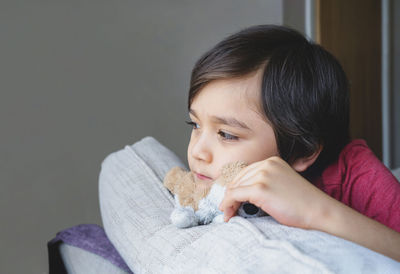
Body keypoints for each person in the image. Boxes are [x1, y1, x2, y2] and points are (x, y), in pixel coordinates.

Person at [185, 25, 400, 261]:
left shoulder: (359, 175)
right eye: (195, 125)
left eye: (226, 134)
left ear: (302, 150)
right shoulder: (204, 188)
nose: (197, 152)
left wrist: (317, 211)